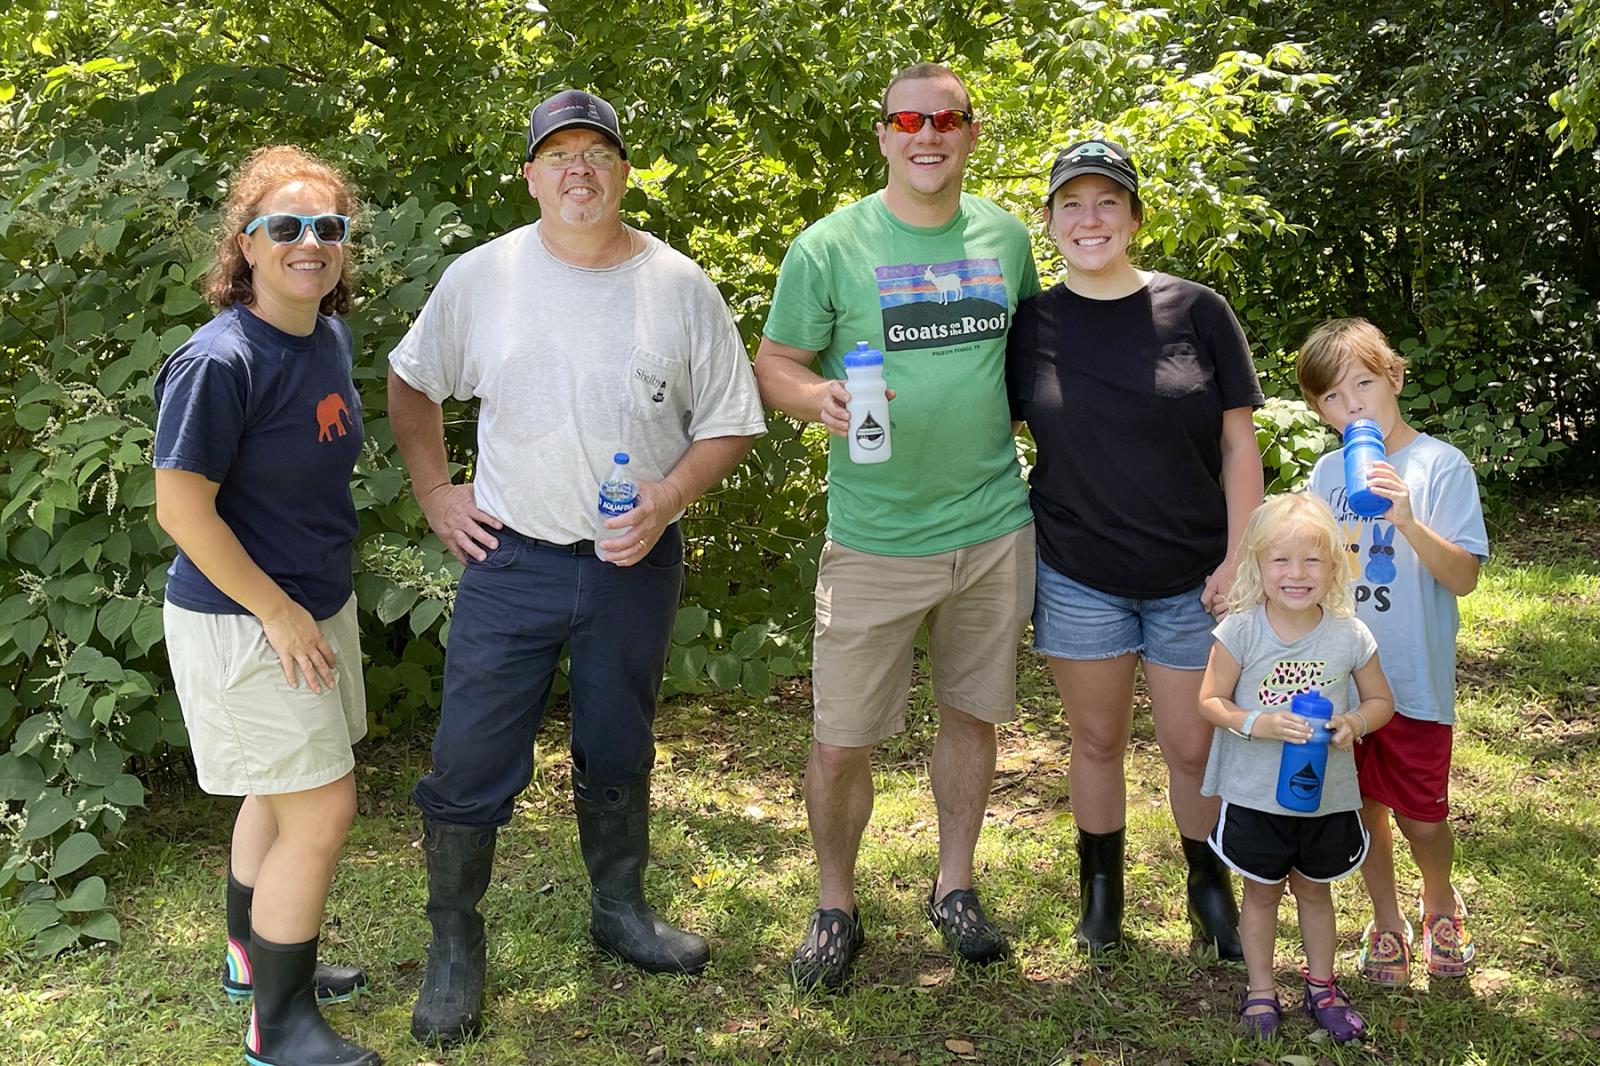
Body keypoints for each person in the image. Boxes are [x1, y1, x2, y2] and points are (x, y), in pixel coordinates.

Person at [387, 89, 766, 1045]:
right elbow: (409, 380)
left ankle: (619, 912)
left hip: (631, 564)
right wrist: (438, 494)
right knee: (470, 756)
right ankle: (454, 947)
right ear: (531, 176)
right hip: (509, 558)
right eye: (559, 155)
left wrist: (668, 501)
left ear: (624, 170)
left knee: (617, 742)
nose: (579, 170)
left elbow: (729, 421)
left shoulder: (678, 286)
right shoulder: (485, 277)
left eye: (598, 151)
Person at [754, 63, 1040, 991]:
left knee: (971, 713)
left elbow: (1036, 361)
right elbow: (774, 365)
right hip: (875, 535)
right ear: (882, 134)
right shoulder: (830, 245)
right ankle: (835, 904)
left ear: (970, 132)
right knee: (841, 738)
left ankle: (954, 887)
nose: (929, 134)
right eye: (909, 119)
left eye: (947, 119)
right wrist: (819, 398)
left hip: (994, 524)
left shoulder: (1005, 236)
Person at [1006, 138, 1264, 958]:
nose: (1090, 219)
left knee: (1194, 745)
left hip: (1196, 576)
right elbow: (974, 434)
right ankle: (1101, 896)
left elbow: (1238, 446)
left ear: (1135, 218)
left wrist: (1238, 559)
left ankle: (1208, 892)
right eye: (1072, 204)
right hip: (1078, 571)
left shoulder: (1197, 310)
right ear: (1047, 222)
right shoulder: (1031, 324)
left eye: (1107, 202)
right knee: (1097, 741)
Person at [154, 145, 378, 1066]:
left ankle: (255, 960)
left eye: (328, 228)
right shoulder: (220, 360)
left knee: (279, 798)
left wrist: (307, 607)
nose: (309, 243)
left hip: (313, 604)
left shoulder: (324, 337)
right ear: (244, 244)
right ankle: (278, 1029)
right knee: (322, 811)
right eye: (283, 226)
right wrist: (277, 613)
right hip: (244, 620)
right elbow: (180, 507)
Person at [1297, 318, 1488, 985]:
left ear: (1395, 379)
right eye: (1332, 397)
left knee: (1421, 814)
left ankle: (1439, 898)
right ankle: (1387, 920)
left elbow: (1463, 577)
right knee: (1359, 808)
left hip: (1412, 681)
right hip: (1345, 684)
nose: (1351, 407)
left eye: (1363, 385)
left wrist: (1407, 517)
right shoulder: (1326, 474)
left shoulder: (1440, 467)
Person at [1198, 493, 1396, 1041]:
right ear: (1257, 566)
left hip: (1325, 794)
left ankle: (1322, 985)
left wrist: (1355, 722)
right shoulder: (1239, 630)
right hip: (1256, 793)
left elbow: (1382, 702)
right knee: (1260, 892)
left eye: (1312, 560)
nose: (1296, 573)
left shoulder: (1349, 634)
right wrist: (1256, 722)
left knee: (1315, 890)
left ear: (1334, 567)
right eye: (1281, 560)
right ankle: (1261, 990)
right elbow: (1210, 701)